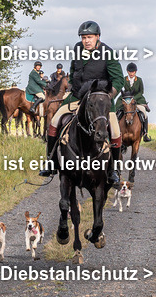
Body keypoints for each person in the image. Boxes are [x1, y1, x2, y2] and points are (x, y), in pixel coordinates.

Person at [40, 21, 125, 186]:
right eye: (84, 37)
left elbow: (118, 80)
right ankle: (50, 162)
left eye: (90, 37)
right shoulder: (78, 49)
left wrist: (107, 97)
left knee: (114, 130)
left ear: (97, 37)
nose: (86, 41)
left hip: (101, 101)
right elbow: (73, 71)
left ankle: (113, 170)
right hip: (78, 97)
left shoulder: (108, 53)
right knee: (55, 120)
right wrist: (72, 85)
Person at [118, 62, 152, 142]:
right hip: (126, 100)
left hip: (137, 99)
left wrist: (133, 99)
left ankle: (145, 133)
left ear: (135, 72)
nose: (131, 73)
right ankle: (116, 133)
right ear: (127, 72)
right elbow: (121, 90)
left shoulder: (139, 80)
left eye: (133, 72)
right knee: (118, 112)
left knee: (144, 113)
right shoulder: (124, 79)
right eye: (130, 72)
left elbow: (141, 92)